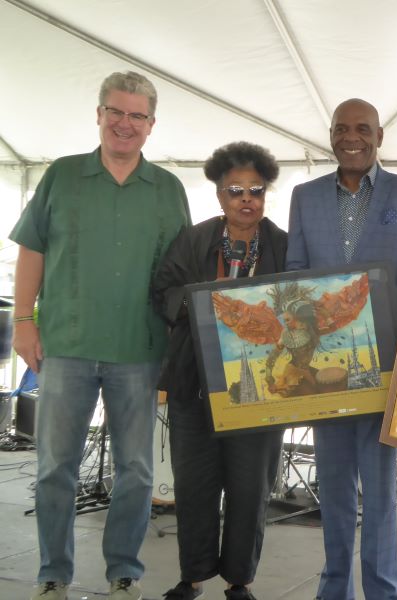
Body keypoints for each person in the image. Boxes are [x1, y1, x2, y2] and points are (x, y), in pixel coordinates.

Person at [9, 71, 191, 600]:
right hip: (65, 345)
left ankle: (123, 571)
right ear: (99, 114)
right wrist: (24, 322)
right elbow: (33, 250)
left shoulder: (169, 190)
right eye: (116, 111)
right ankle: (52, 573)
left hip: (139, 351)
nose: (125, 123)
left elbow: (180, 275)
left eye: (137, 115)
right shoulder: (61, 177)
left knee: (136, 471)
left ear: (151, 125)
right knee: (54, 469)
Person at [286, 98, 397, 600]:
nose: (352, 137)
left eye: (363, 129)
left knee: (378, 496)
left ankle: (382, 592)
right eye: (342, 129)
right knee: (331, 491)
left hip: (384, 370)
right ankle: (333, 592)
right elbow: (293, 279)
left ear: (380, 136)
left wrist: (372, 307)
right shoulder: (304, 196)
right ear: (331, 135)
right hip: (321, 371)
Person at [153, 142, 288, 600]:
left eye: (255, 190)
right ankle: (191, 578)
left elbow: (301, 305)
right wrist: (201, 302)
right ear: (219, 195)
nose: (246, 199)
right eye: (235, 191)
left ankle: (239, 582)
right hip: (196, 384)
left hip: (263, 389)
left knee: (251, 489)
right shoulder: (194, 240)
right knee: (194, 485)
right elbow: (163, 290)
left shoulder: (284, 245)